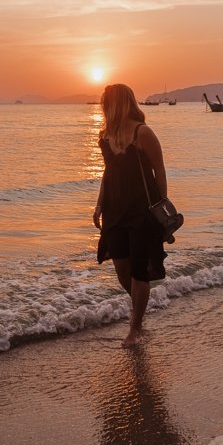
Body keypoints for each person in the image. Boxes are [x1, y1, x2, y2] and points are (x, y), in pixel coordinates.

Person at [93, 84, 169, 347]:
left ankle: (135, 328)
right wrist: (99, 204)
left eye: (106, 101)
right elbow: (108, 172)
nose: (103, 105)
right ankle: (141, 308)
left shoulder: (142, 132)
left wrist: (161, 209)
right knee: (121, 269)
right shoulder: (104, 136)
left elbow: (159, 171)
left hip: (141, 210)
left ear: (118, 103)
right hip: (115, 209)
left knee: (139, 270)